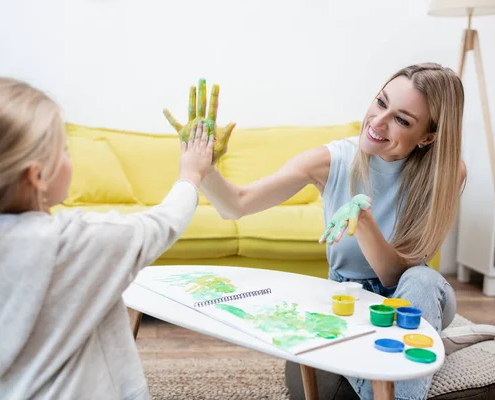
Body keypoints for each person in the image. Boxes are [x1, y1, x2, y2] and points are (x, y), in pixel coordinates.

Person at [0, 77, 214, 400]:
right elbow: (164, 222)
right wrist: (190, 174)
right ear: (37, 175)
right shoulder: (81, 243)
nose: (70, 159)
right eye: (65, 151)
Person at [197, 63, 466, 400]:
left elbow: (394, 274)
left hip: (414, 295)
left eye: (402, 120)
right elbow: (235, 205)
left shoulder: (446, 174)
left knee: (422, 280)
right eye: (381, 103)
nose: (378, 122)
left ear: (428, 136)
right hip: (351, 297)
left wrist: (364, 222)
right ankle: (424, 353)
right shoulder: (331, 160)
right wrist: (204, 167)